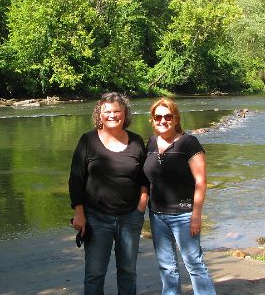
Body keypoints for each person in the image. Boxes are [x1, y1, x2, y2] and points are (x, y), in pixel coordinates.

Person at [68, 92, 148, 295]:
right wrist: (79, 212)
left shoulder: (136, 142)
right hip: (96, 217)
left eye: (117, 111)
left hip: (130, 216)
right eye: (108, 111)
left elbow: (145, 178)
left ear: (125, 114)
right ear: (100, 114)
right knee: (95, 273)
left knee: (128, 271)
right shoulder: (88, 141)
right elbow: (76, 178)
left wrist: (142, 202)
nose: (112, 115)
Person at [144, 98, 216, 295]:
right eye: (158, 116)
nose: (163, 120)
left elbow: (200, 181)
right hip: (157, 215)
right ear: (152, 120)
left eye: (168, 116)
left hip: (184, 214)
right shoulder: (150, 143)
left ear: (176, 119)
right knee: (167, 267)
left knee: (194, 263)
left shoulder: (189, 143)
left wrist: (196, 215)